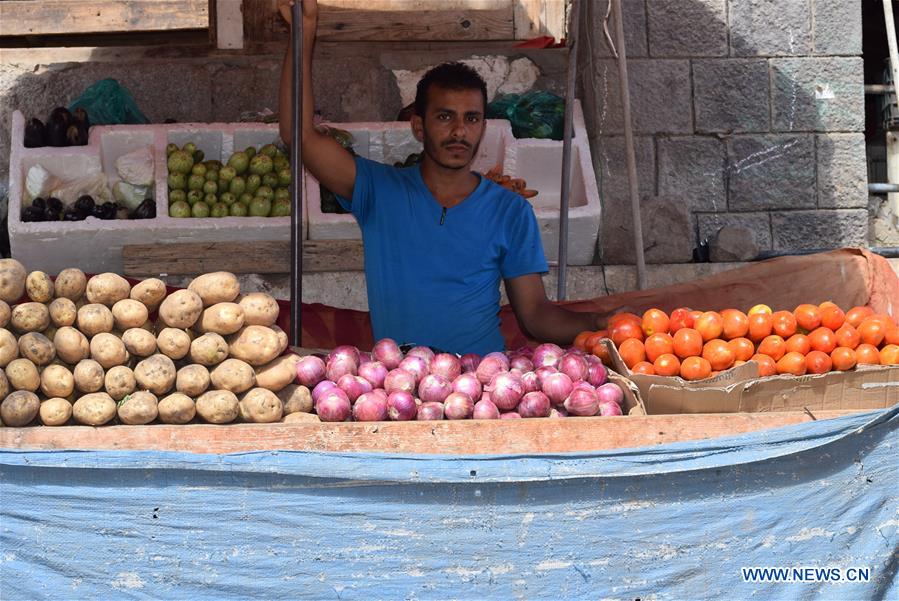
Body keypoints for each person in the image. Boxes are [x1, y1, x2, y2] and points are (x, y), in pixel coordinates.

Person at [278, 0, 602, 355]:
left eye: (472, 118)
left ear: (483, 126)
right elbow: (300, 135)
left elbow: (536, 316)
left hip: (483, 379)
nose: (460, 131)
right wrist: (303, 33)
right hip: (401, 379)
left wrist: (604, 322)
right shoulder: (379, 191)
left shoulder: (510, 211)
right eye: (445, 117)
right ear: (419, 126)